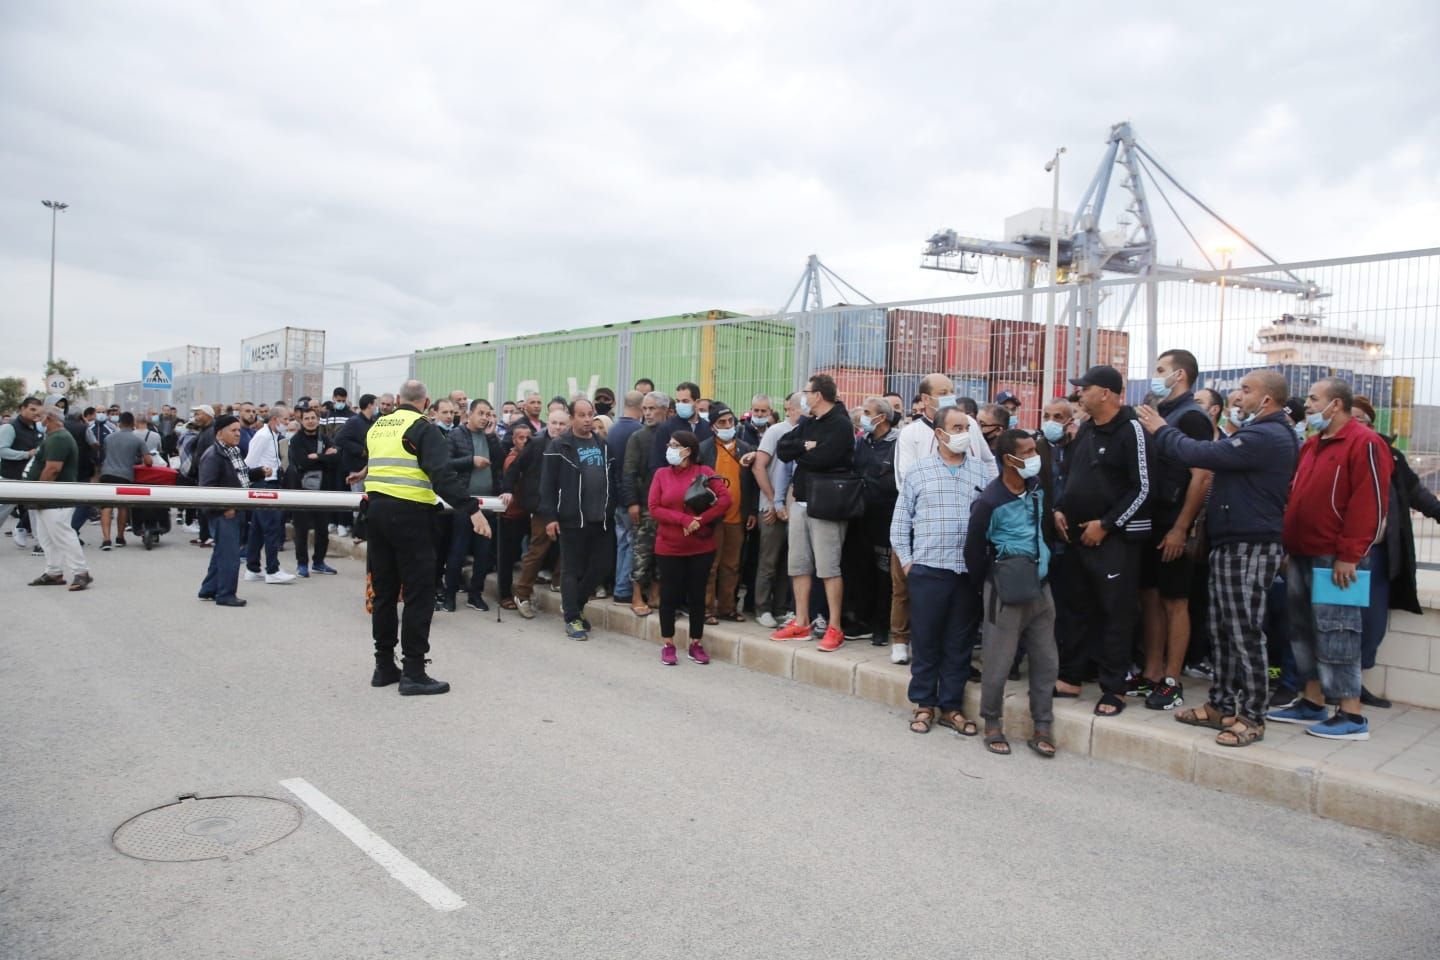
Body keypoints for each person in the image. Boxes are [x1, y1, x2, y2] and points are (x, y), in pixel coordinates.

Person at [1136, 370, 1296, 747]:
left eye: (1245, 390)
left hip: (1251, 545)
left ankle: (1252, 716)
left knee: (1244, 632)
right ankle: (1220, 705)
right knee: (1222, 628)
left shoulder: (1266, 435)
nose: (1237, 397)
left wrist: (1162, 429)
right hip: (1231, 543)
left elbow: (1200, 454)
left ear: (1267, 400)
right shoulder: (1256, 433)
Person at [1268, 378, 1392, 740]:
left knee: (1339, 631)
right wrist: (1290, 547)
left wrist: (1349, 555)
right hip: (1302, 553)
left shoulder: (1364, 442)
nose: (1306, 404)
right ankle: (1312, 700)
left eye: (1313, 398)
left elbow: (1370, 504)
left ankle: (1351, 714)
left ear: (1335, 405)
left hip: (1337, 559)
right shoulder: (1312, 445)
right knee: (1303, 630)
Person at [355, 380, 491, 696]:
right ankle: (414, 671)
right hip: (411, 517)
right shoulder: (423, 428)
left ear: (399, 399)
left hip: (376, 513)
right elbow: (441, 476)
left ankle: (384, 665)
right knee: (419, 592)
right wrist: (472, 509)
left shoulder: (377, 426)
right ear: (426, 402)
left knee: (385, 592)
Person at [1053, 365, 1152, 717]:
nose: (1080, 394)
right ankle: (1070, 677)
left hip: (1114, 542)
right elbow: (1071, 476)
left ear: (1106, 393)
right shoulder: (1085, 431)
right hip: (1077, 535)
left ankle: (1114, 689)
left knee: (1116, 614)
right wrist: (1060, 509)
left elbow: (1142, 488)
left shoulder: (1131, 431)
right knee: (1075, 609)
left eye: (1086, 388)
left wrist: (1107, 525)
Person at [890, 405, 992, 736]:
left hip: (966, 574)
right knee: (927, 640)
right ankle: (923, 704)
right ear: (939, 433)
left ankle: (951, 707)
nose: (963, 432)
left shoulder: (982, 473)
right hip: (928, 571)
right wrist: (908, 562)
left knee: (958, 643)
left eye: (967, 426)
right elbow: (900, 524)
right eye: (957, 426)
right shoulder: (918, 472)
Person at [965, 429, 1059, 757]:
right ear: (1009, 459)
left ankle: (1043, 725)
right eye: (1029, 451)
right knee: (998, 662)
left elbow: (1043, 528)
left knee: (1047, 661)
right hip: (1004, 592)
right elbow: (973, 549)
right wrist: (988, 584)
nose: (1036, 457)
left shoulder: (1036, 489)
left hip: (1040, 589)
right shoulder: (990, 501)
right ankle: (992, 723)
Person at [1131, 349, 1214, 710]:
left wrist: (1182, 527)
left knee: (1174, 602)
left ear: (1180, 374)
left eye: (1161, 369)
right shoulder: (1160, 413)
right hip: (1150, 519)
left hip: (1173, 522)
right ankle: (1151, 671)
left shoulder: (1192, 417)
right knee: (1149, 596)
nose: (1155, 374)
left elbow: (1202, 475)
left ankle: (1171, 678)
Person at [1351, 396, 1440, 707]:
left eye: (1361, 418)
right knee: (1337, 622)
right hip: (1343, 556)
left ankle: (1353, 686)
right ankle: (1322, 688)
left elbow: (1417, 494)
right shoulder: (1332, 453)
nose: (1355, 423)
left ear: (1372, 425)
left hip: (1377, 556)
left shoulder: (1393, 458)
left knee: (1371, 624)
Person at [771, 373, 855, 652]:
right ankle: (802, 621)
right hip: (802, 502)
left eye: (807, 391)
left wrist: (804, 451)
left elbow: (825, 459)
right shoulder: (808, 423)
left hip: (827, 505)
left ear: (819, 395)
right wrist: (804, 446)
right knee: (798, 565)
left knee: (829, 568)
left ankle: (834, 626)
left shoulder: (841, 425)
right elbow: (783, 448)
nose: (804, 396)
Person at [648, 430, 734, 665]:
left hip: (701, 547)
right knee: (669, 596)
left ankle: (696, 642)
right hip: (669, 546)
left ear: (688, 450)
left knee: (698, 597)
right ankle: (668, 643)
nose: (670, 448)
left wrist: (701, 521)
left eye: (675, 445)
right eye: (670, 444)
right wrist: (685, 520)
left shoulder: (704, 472)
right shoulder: (661, 474)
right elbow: (654, 507)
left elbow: (726, 500)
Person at [539, 397, 611, 641]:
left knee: (600, 567)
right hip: (571, 518)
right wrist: (549, 517)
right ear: (571, 418)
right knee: (572, 569)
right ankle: (572, 618)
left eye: (590, 414)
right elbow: (547, 484)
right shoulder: (560, 446)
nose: (588, 419)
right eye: (581, 415)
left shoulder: (602, 444)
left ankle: (576, 606)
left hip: (599, 518)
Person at [198, 415, 270, 606]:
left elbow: (241, 476)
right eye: (233, 430)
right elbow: (207, 489)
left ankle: (209, 589)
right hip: (223, 512)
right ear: (220, 434)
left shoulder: (233, 451)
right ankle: (225, 594)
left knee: (221, 552)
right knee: (229, 555)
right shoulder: (213, 456)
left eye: (239, 430)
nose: (238, 434)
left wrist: (259, 472)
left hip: (236, 509)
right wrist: (224, 508)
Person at [698, 403, 757, 623]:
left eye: (730, 421)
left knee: (731, 565)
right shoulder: (703, 449)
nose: (727, 426)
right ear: (712, 426)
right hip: (712, 517)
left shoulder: (746, 448)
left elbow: (752, 484)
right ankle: (705, 609)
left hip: (736, 517)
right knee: (710, 565)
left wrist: (751, 511)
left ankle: (727, 607)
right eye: (721, 423)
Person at [444, 399, 503, 612]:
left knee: (484, 553)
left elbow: (499, 462)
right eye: (481, 413)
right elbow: (446, 463)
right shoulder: (456, 435)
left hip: (488, 503)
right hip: (464, 503)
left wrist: (491, 437)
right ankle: (449, 595)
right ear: (469, 414)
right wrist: (471, 460)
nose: (485, 418)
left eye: (488, 414)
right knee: (458, 551)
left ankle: (475, 594)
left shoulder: (491, 437)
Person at [25, 404, 92, 591]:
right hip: (48, 499)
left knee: (63, 535)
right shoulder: (53, 437)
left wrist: (39, 492)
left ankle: (81, 572)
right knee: (46, 537)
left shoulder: (59, 438)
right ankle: (54, 571)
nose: (37, 420)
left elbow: (53, 468)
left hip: (54, 498)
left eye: (40, 417)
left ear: (50, 418)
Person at [850, 396, 900, 645]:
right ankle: (863, 620)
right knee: (862, 570)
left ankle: (882, 626)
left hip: (887, 517)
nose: (863, 417)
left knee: (884, 574)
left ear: (881, 417)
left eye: (868, 412)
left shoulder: (898, 442)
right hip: (862, 515)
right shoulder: (863, 441)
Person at [510, 406, 568, 618]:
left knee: (567, 549)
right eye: (554, 423)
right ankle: (523, 593)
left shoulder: (571, 444)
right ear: (547, 423)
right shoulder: (535, 443)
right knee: (537, 550)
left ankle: (559, 583)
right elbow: (516, 468)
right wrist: (508, 490)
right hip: (542, 506)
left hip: (566, 506)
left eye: (562, 424)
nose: (558, 427)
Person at [751, 393, 796, 629]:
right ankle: (762, 608)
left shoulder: (805, 434)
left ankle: (780, 608)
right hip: (771, 508)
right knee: (768, 561)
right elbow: (759, 467)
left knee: (787, 563)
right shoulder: (777, 431)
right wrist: (773, 502)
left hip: (793, 509)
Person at [622, 392, 669, 617]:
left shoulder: (671, 435)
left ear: (665, 410)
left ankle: (656, 594)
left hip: (669, 507)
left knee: (663, 552)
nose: (648, 413)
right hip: (645, 505)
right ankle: (637, 595)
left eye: (652, 408)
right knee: (642, 551)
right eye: (645, 408)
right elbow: (628, 473)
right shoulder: (638, 437)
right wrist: (632, 502)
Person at [242, 405, 296, 582]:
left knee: (257, 529)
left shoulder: (274, 436)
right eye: (285, 420)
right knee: (272, 527)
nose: (287, 423)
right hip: (263, 483)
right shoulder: (263, 436)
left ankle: (253, 568)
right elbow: (249, 463)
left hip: (271, 481)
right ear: (274, 419)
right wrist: (262, 471)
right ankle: (272, 570)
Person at [286, 407, 337, 578]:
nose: (310, 421)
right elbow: (302, 462)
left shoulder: (324, 438)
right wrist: (324, 457)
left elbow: (336, 459)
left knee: (322, 529)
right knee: (301, 529)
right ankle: (302, 564)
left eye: (313, 417)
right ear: (301, 420)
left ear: (318, 419)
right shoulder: (296, 441)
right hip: (301, 490)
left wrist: (317, 456)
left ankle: (319, 562)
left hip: (323, 492)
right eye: (306, 418)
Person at [607, 391, 645, 608]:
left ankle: (619, 586)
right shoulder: (637, 431)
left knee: (622, 542)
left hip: (616, 496)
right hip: (630, 498)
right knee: (632, 543)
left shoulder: (613, 430)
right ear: (641, 407)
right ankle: (623, 589)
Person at [97, 412, 153, 550]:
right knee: (122, 507)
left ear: (119, 423)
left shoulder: (108, 438)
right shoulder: (137, 440)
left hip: (106, 474)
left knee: (106, 507)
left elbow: (104, 456)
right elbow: (149, 461)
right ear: (133, 423)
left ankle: (106, 540)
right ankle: (120, 537)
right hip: (125, 476)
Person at [497, 420, 534, 608]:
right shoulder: (512, 459)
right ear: (514, 439)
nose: (525, 441)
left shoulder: (530, 456)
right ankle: (504, 594)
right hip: (511, 514)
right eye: (521, 438)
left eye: (528, 438)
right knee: (507, 558)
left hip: (527, 513)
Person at [0, 397, 43, 548]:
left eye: (38, 411)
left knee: (35, 512)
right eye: (32, 409)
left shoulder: (37, 429)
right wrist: (25, 454)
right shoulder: (9, 428)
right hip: (11, 477)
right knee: (2, 511)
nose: (35, 413)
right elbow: (2, 450)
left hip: (31, 479)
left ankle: (40, 544)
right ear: (22, 409)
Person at [335, 393, 378, 541]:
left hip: (368, 467)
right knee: (358, 500)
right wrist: (360, 450)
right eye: (376, 404)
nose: (377, 408)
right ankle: (356, 529)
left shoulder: (372, 422)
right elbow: (339, 439)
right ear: (370, 405)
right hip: (355, 466)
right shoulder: (354, 421)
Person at [650, 381, 711, 470]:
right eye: (678, 401)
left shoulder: (707, 428)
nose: (680, 405)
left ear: (697, 402)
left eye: (685, 401)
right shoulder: (666, 428)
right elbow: (656, 462)